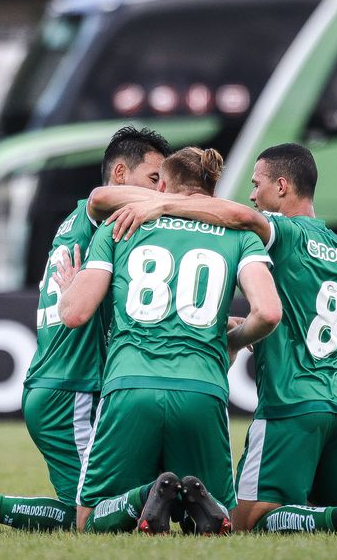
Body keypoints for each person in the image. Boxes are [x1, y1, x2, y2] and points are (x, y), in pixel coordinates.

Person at [99, 143, 337, 533]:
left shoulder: (282, 233)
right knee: (321, 510)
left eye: (257, 183)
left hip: (290, 404)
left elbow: (237, 216)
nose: (252, 194)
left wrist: (163, 205)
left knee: (245, 519)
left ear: (282, 186)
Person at [0, 126, 171, 533]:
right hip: (71, 389)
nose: (160, 191)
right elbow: (101, 197)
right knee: (88, 519)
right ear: (120, 174)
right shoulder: (95, 214)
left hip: (63, 384)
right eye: (153, 180)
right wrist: (180, 203)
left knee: (92, 508)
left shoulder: (82, 226)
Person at [60, 147, 281, 535]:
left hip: (131, 385)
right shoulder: (239, 235)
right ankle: (195, 503)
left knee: (88, 520)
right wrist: (229, 343)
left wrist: (69, 288)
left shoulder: (121, 223)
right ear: (212, 189)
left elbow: (74, 314)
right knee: (220, 519)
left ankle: (146, 494)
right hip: (203, 389)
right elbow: (268, 313)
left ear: (161, 184)